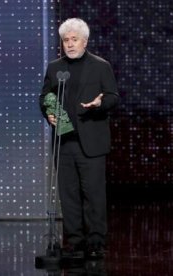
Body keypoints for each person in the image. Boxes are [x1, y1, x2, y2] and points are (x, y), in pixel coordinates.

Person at [39, 18, 120, 259]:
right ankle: (74, 240)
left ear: (85, 41)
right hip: (64, 141)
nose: (70, 44)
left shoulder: (100, 66)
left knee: (93, 194)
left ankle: (96, 241)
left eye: (75, 40)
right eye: (66, 40)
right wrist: (49, 112)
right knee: (69, 194)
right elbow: (45, 96)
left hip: (91, 142)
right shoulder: (55, 68)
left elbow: (113, 96)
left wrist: (99, 103)